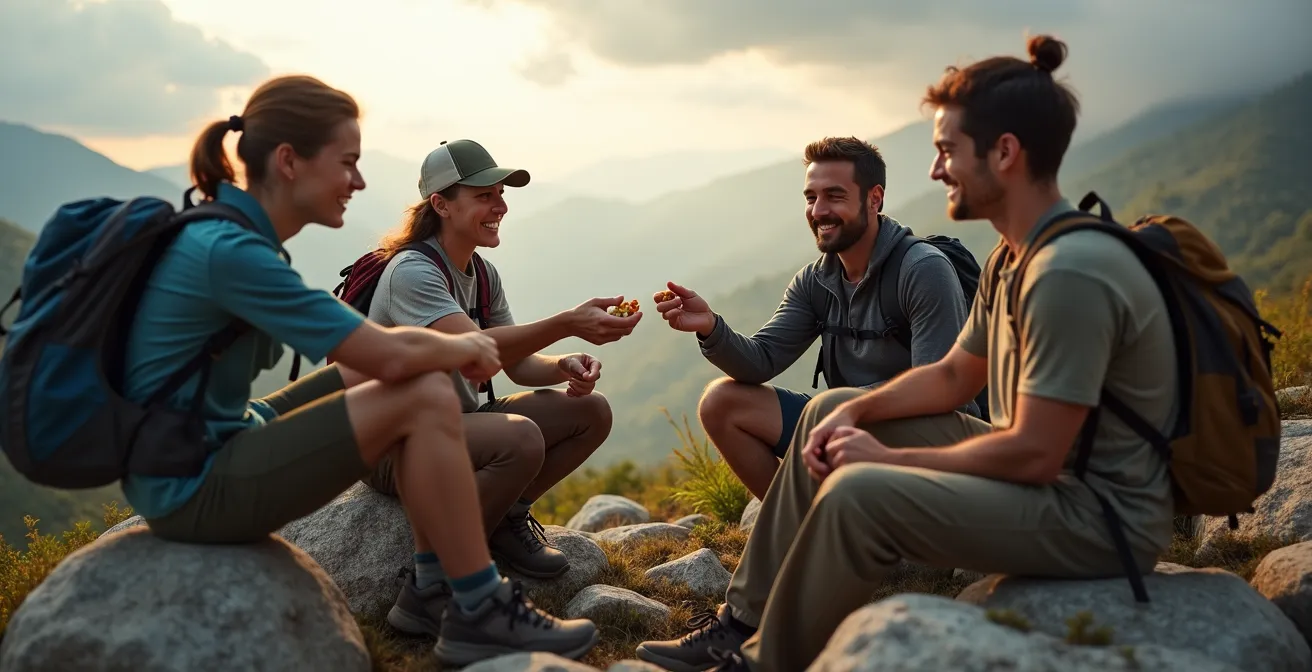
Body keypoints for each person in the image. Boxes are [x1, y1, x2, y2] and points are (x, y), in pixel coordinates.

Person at [635, 35, 1179, 672]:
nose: (936, 170)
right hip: (1055, 489)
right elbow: (950, 377)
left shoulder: (1067, 274)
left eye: (948, 151)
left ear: (1005, 153)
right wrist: (846, 417)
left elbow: (1035, 452)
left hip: (1099, 517)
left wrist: (881, 459)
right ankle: (744, 622)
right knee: (826, 409)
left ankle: (765, 661)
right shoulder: (1014, 257)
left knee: (858, 492)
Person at [120, 75, 598, 667]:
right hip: (193, 488)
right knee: (421, 388)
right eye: (347, 162)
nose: (360, 181)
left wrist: (270, 415)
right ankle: (471, 603)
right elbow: (391, 355)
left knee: (410, 383)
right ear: (290, 161)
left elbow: (347, 369)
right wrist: (468, 348)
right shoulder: (236, 254)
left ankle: (440, 588)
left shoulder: (232, 239)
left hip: (207, 451)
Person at [364, 138, 641, 633]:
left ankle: (505, 517)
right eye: (485, 196)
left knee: (591, 412)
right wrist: (568, 322)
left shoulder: (483, 274)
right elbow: (477, 354)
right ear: (441, 205)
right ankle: (429, 591)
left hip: (455, 426)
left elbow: (518, 365)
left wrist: (565, 365)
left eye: (500, 194)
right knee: (520, 437)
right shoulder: (412, 273)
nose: (501, 207)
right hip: (394, 444)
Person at [653, 136, 978, 500]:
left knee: (826, 405)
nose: (818, 210)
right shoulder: (816, 281)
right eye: (811, 197)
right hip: (841, 424)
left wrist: (844, 407)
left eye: (834, 196)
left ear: (874, 198)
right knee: (720, 403)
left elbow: (940, 392)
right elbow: (761, 361)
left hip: (928, 438)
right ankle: (799, 524)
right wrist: (711, 327)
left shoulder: (922, 269)